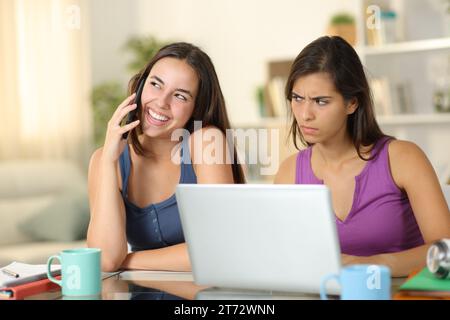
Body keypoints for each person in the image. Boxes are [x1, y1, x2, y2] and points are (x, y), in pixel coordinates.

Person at [275, 36, 450, 277]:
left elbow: (446, 250)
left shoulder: (403, 158)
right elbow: (282, 256)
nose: (305, 114)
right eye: (297, 98)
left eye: (321, 101)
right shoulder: (288, 172)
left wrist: (376, 264)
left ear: (352, 103)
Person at [87, 42, 245, 272]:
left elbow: (218, 250)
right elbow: (105, 260)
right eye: (155, 84)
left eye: (180, 96)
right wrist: (109, 163)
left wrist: (128, 261)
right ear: (139, 86)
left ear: (196, 107)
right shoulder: (105, 160)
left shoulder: (207, 142)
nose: (161, 102)